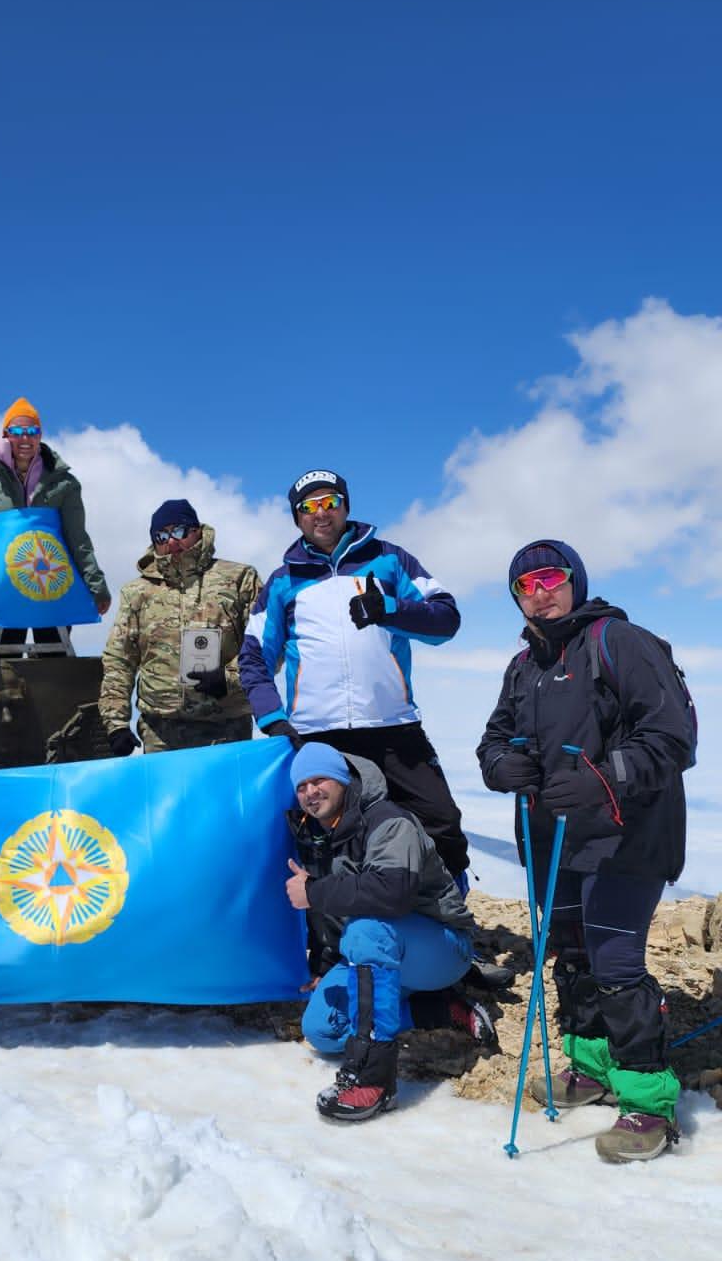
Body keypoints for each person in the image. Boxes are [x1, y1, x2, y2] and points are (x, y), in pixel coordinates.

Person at [477, 540, 694, 1163]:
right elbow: (492, 739)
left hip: (627, 834)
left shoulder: (619, 642)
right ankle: (592, 1068)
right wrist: (502, 765)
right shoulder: (524, 665)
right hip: (554, 837)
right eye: (525, 585)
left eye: (551, 577)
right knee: (571, 958)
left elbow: (672, 734)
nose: (539, 591)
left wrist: (605, 777)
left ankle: (649, 1102)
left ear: (575, 581)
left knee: (616, 964)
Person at [240, 468, 470, 884]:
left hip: (392, 724)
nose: (320, 514)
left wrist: (391, 611)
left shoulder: (389, 559)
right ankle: (330, 943)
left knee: (441, 824)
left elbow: (446, 619)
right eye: (308, 508)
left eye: (330, 502)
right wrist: (272, 718)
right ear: (297, 518)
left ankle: (448, 925)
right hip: (316, 733)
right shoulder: (282, 582)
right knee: (323, 837)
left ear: (345, 506)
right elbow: (253, 658)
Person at [286, 744, 476, 1123]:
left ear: (343, 780)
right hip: (381, 951)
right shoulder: (321, 835)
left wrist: (314, 893)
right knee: (322, 1028)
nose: (311, 792)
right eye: (302, 785)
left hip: (441, 947)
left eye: (319, 779)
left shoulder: (389, 821)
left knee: (367, 930)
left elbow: (392, 893)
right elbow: (336, 911)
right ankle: (442, 1010)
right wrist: (325, 962)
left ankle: (373, 1078)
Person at [98, 500, 262, 755]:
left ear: (197, 530)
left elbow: (265, 644)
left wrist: (229, 679)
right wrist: (116, 723)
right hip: (160, 733)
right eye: (161, 536)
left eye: (179, 531)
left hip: (227, 728)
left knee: (222, 795)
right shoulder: (137, 592)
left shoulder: (239, 579)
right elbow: (119, 661)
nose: (172, 542)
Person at [0, 397, 110, 652]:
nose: (25, 438)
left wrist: (96, 585)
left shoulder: (63, 483)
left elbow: (77, 538)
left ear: (40, 435)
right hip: (7, 584)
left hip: (50, 581)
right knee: (5, 656)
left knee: (53, 654)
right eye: (17, 431)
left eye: (32, 431)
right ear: (6, 435)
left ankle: (56, 692)